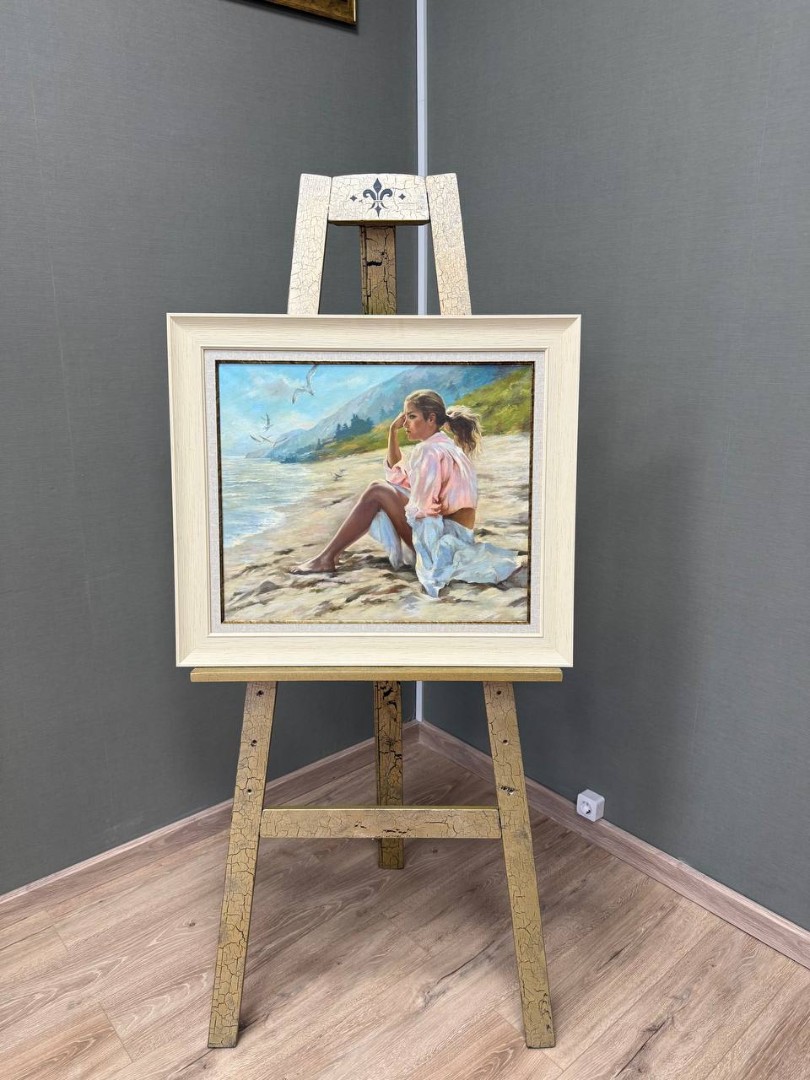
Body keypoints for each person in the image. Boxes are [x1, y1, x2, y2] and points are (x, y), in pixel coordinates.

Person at [292, 389, 521, 597]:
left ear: (431, 419)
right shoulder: (447, 447)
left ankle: (327, 558)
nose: (405, 424)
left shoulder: (429, 451)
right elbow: (400, 478)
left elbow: (424, 510)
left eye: (411, 416)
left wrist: (415, 544)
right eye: (405, 417)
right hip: (458, 537)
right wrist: (392, 432)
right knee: (382, 489)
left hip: (441, 541)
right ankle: (327, 556)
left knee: (377, 490)